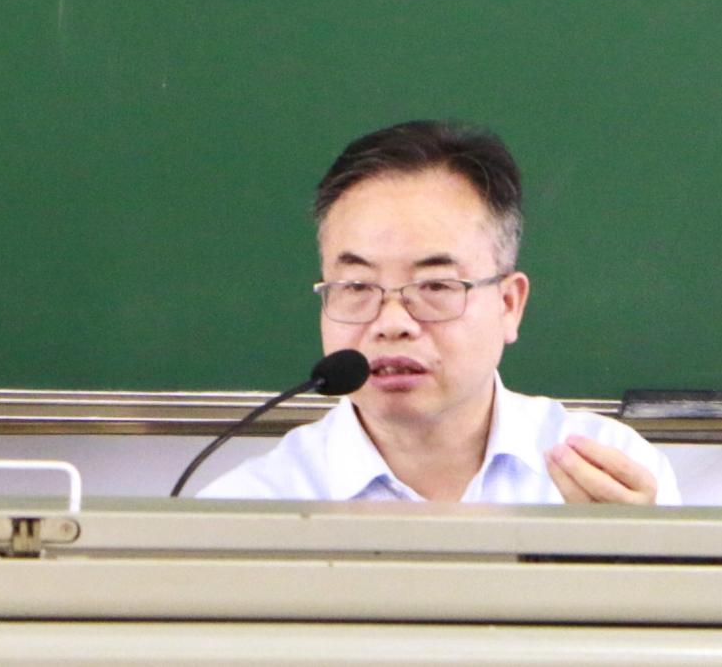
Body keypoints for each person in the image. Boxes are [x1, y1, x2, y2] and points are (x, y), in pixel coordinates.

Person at [197, 120, 679, 504]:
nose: (392, 324)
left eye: (434, 286)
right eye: (357, 286)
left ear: (509, 305)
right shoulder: (253, 505)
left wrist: (635, 558)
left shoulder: (611, 475)